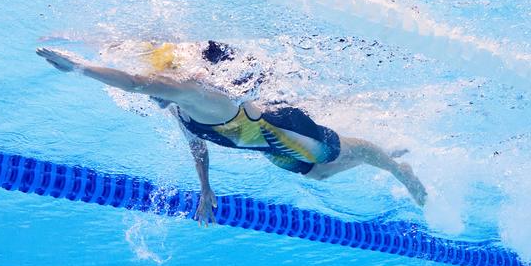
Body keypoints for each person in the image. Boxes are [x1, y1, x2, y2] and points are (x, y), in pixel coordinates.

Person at [35, 42, 428, 225]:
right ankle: (379, 155)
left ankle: (395, 166)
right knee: (322, 173)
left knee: (325, 155)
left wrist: (81, 69)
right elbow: (197, 145)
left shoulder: (192, 91)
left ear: (165, 81)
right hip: (265, 147)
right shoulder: (181, 109)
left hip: (285, 130)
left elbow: (137, 83)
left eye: (158, 90)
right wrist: (205, 186)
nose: (152, 98)